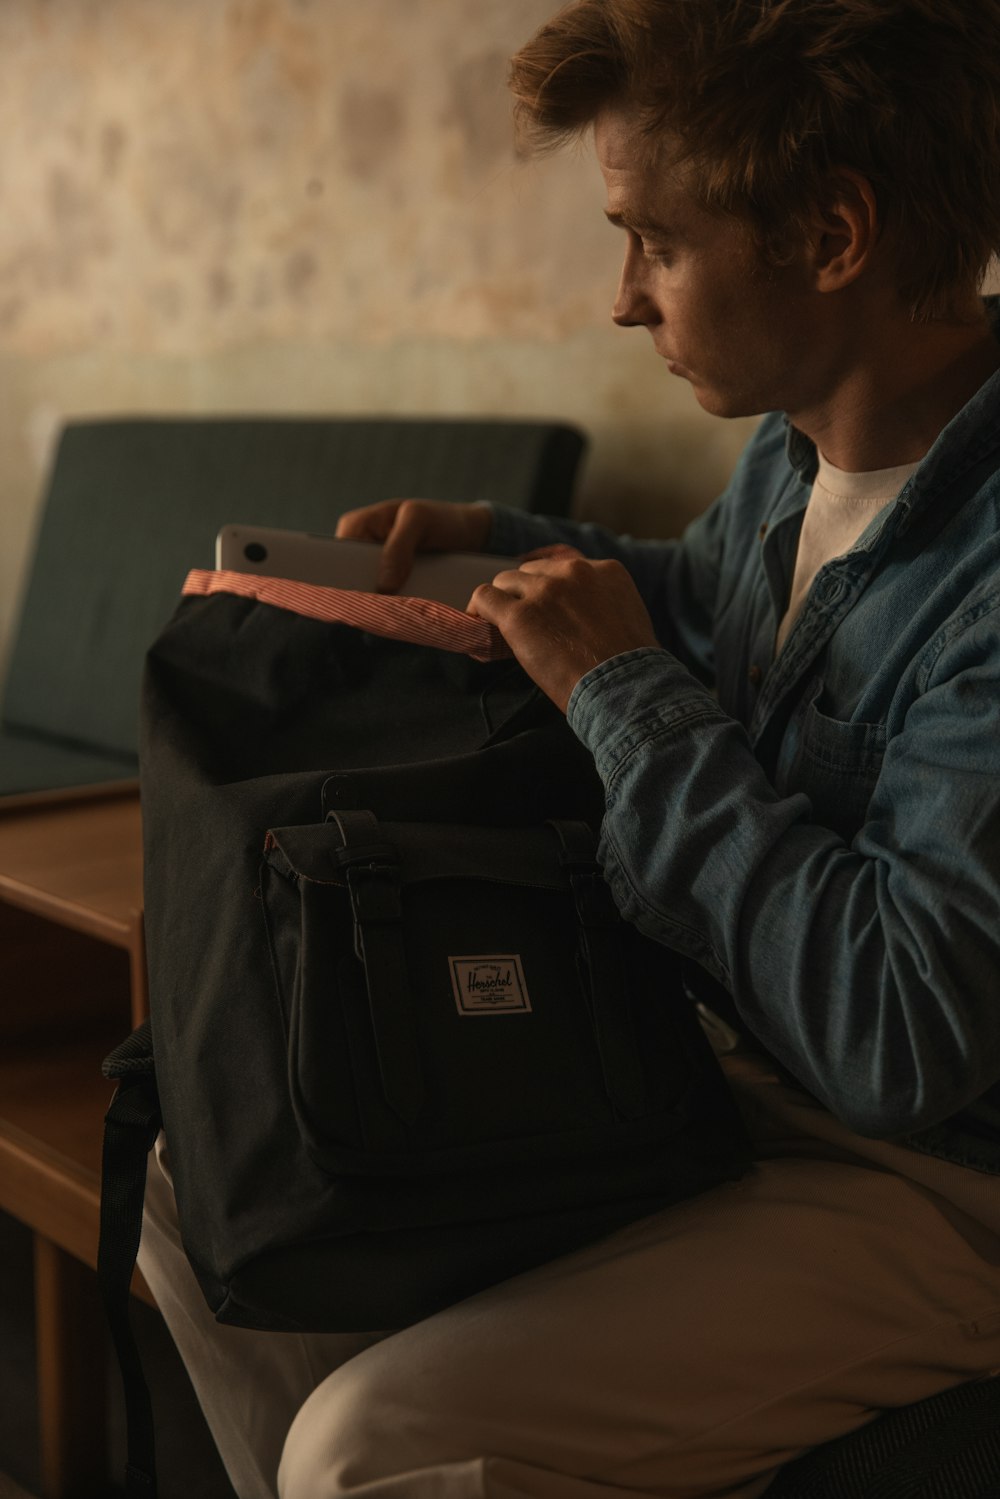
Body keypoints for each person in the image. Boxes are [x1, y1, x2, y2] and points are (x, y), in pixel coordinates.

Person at [138, 1, 1000, 1494]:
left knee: (367, 1443)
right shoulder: (797, 455)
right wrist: (505, 551)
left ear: (833, 233)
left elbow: (900, 1030)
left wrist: (626, 699)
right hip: (714, 1063)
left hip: (936, 1182)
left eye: (653, 242)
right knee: (208, 1168)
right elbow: (723, 603)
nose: (620, 299)